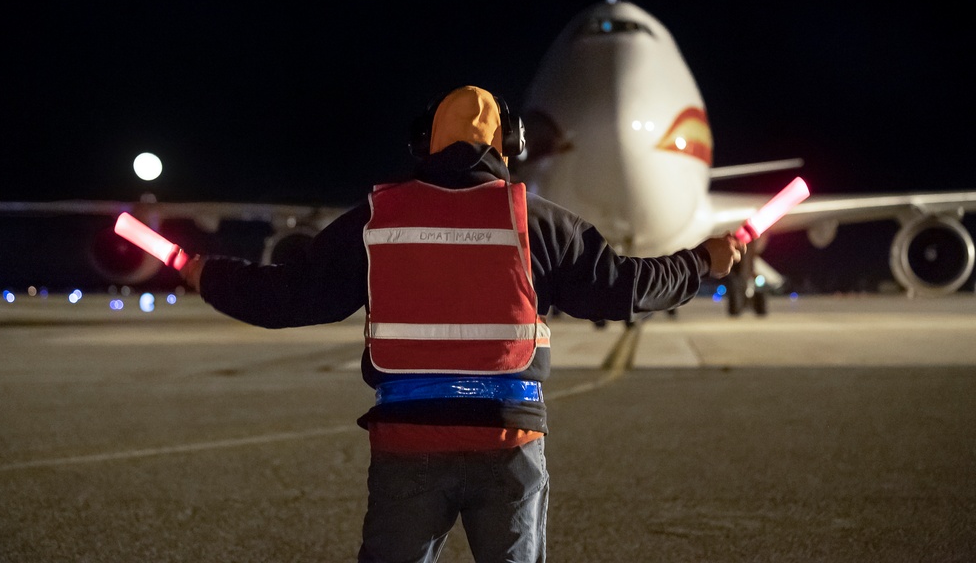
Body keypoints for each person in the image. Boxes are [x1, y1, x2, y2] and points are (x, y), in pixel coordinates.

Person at [179, 85, 744, 562]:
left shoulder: (379, 216)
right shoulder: (535, 220)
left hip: (406, 445)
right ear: (510, 144)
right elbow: (623, 287)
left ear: (423, 142)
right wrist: (702, 262)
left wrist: (206, 273)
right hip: (508, 442)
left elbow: (291, 299)